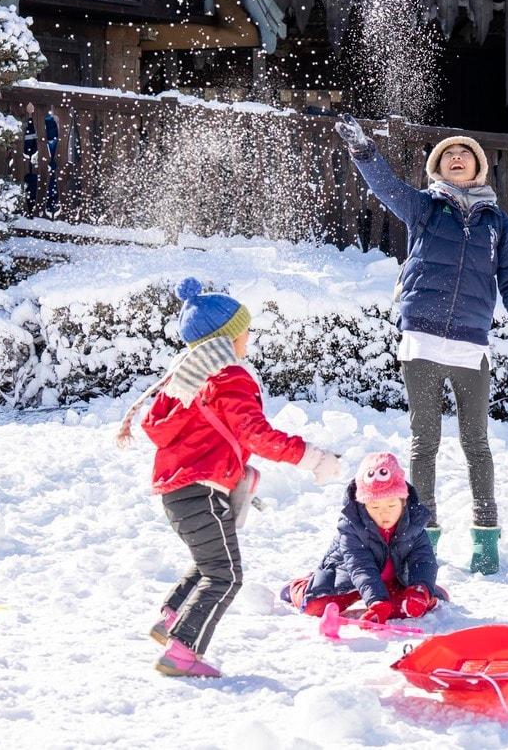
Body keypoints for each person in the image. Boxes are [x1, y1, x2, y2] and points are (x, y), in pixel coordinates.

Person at [333, 115, 508, 575]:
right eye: (448, 154)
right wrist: (364, 152)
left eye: (465, 154)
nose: (457, 157)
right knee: (424, 441)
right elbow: (387, 188)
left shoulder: (497, 224)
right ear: (437, 167)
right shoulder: (426, 208)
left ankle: (486, 539)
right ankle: (422, 540)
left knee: (477, 443)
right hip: (422, 339)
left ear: (478, 168)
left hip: (471, 345)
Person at [117, 277, 343, 677]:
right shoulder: (227, 377)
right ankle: (182, 653)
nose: (248, 339)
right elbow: (255, 433)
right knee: (227, 574)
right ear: (225, 340)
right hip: (201, 494)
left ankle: (171, 619)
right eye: (244, 332)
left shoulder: (184, 383)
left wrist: (233, 469)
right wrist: (313, 458)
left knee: (209, 563)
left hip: (179, 495)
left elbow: (205, 439)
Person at [281, 452, 444, 622]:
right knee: (315, 605)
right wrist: (376, 601)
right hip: (351, 577)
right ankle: (300, 586)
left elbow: (424, 559)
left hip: (393, 580)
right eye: (374, 506)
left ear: (404, 502)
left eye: (391, 505)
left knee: (410, 607)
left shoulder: (413, 523)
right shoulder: (352, 526)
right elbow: (361, 568)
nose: (384, 513)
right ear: (363, 506)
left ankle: (427, 592)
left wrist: (420, 589)